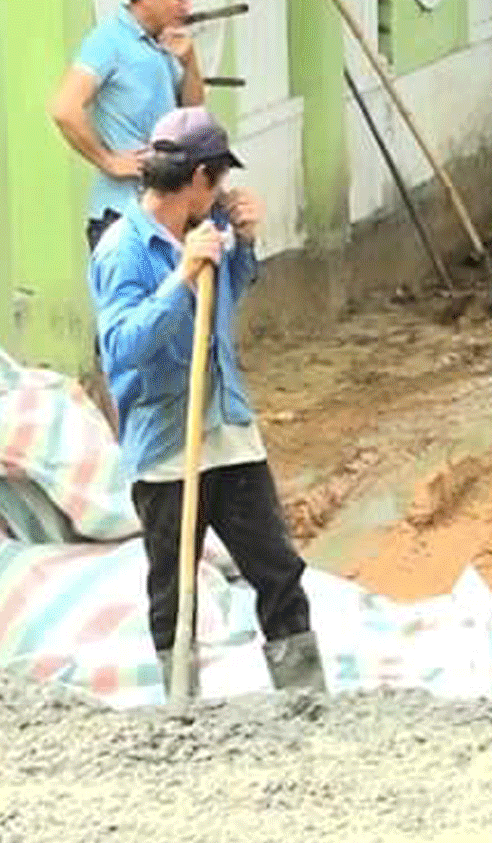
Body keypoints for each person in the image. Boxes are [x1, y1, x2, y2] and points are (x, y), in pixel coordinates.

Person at [89, 106, 323, 695]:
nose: (221, 193)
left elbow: (229, 299)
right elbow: (120, 349)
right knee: (174, 585)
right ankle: (180, 707)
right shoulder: (124, 250)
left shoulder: (210, 228)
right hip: (169, 444)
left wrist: (243, 244)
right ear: (195, 179)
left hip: (229, 429)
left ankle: (306, 699)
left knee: (277, 569)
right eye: (216, 181)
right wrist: (181, 279)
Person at [50, 0, 207, 252]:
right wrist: (108, 160)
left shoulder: (166, 41)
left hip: (167, 211)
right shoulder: (109, 40)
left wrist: (190, 63)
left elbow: (192, 114)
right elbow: (64, 108)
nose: (187, 7)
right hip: (122, 215)